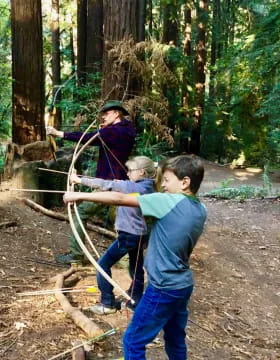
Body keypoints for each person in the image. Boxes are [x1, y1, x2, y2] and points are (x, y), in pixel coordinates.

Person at [63, 155, 207, 360]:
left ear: (185, 182)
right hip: (182, 285)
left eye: (166, 180)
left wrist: (79, 196)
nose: (163, 186)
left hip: (163, 287)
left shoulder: (169, 201)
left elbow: (121, 198)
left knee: (133, 340)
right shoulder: (201, 209)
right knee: (175, 339)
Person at [47, 100, 136, 264]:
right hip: (121, 183)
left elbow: (87, 137)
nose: (103, 116)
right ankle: (126, 261)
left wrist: (59, 133)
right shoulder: (127, 130)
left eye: (107, 113)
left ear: (117, 113)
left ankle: (76, 257)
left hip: (109, 185)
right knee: (121, 221)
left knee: (80, 213)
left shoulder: (113, 132)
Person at [70, 156, 158, 315]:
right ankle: (135, 300)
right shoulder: (147, 187)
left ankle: (107, 303)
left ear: (142, 172)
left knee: (102, 265)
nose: (128, 173)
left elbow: (107, 184)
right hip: (140, 235)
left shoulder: (133, 187)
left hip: (129, 236)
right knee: (136, 267)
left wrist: (78, 180)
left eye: (131, 170)